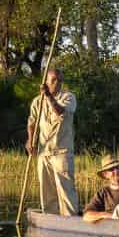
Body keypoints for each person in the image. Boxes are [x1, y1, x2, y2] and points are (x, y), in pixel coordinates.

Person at [27, 67, 79, 215]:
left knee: (66, 191)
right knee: (47, 194)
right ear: (46, 82)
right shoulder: (37, 101)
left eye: (60, 80)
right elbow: (31, 122)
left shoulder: (68, 97)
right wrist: (30, 141)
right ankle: (51, 221)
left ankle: (71, 220)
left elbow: (60, 111)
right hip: (44, 153)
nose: (57, 83)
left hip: (62, 152)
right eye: (54, 80)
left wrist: (49, 96)